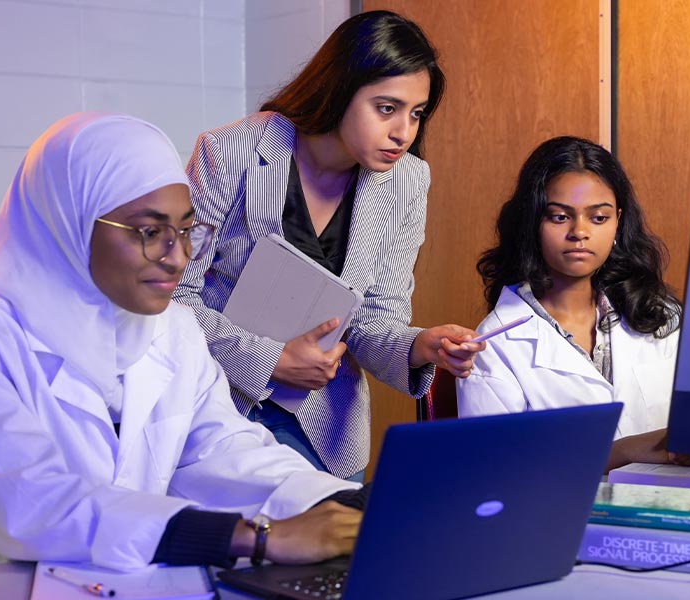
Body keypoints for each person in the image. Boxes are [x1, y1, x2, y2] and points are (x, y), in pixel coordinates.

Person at [0, 113, 364, 600]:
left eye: (187, 229)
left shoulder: (172, 330)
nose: (177, 256)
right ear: (71, 222)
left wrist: (355, 505)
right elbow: (34, 503)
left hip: (115, 581)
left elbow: (225, 451)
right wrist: (259, 538)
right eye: (149, 231)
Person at [174, 10, 480, 481]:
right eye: (386, 108)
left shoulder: (407, 181)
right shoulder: (230, 151)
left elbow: (374, 319)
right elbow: (173, 299)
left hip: (323, 431)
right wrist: (270, 361)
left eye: (416, 113)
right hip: (215, 406)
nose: (403, 132)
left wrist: (420, 344)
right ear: (340, 90)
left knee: (332, 550)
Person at [458, 136, 690, 472]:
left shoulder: (659, 314)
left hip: (677, 503)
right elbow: (496, 470)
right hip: (568, 520)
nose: (579, 232)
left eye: (598, 218)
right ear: (531, 223)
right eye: (558, 217)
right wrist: (626, 451)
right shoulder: (493, 344)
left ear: (617, 222)